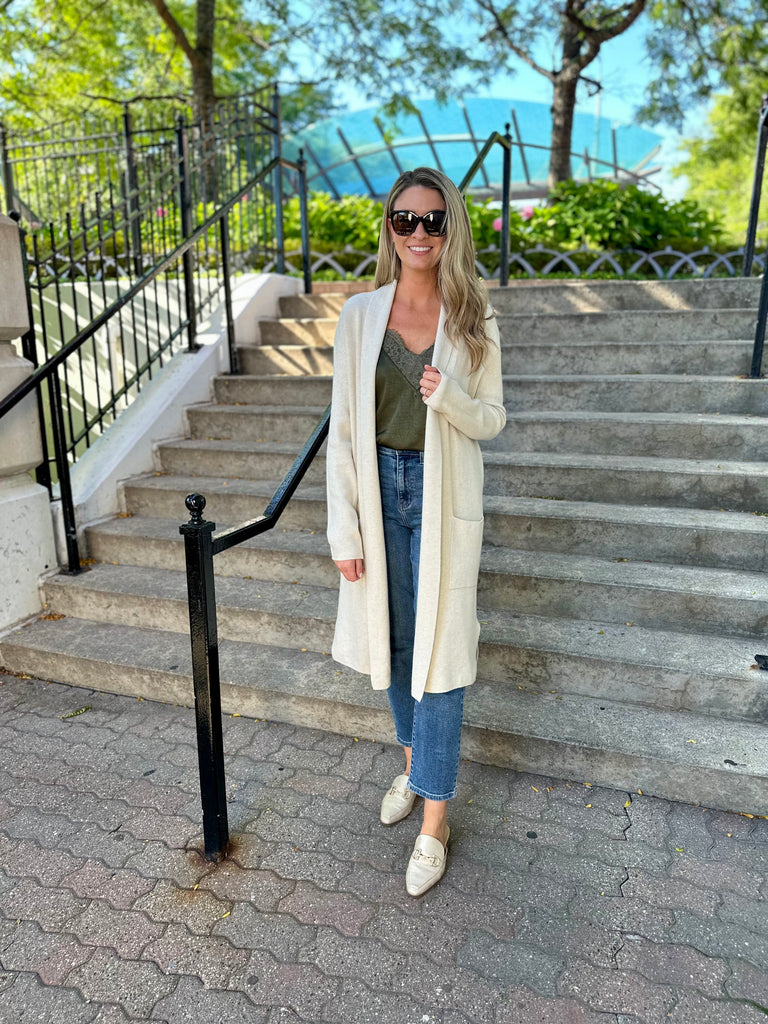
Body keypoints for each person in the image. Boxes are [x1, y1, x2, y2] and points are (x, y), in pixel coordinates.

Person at [325, 167, 506, 896]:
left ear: (451, 226)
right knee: (395, 642)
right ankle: (412, 765)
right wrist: (343, 531)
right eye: (406, 219)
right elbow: (343, 430)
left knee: (443, 654)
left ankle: (435, 821)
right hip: (378, 491)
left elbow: (492, 419)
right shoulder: (360, 315)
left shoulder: (473, 316)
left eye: (434, 219)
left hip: (441, 492)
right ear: (390, 229)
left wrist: (450, 396)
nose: (420, 232)